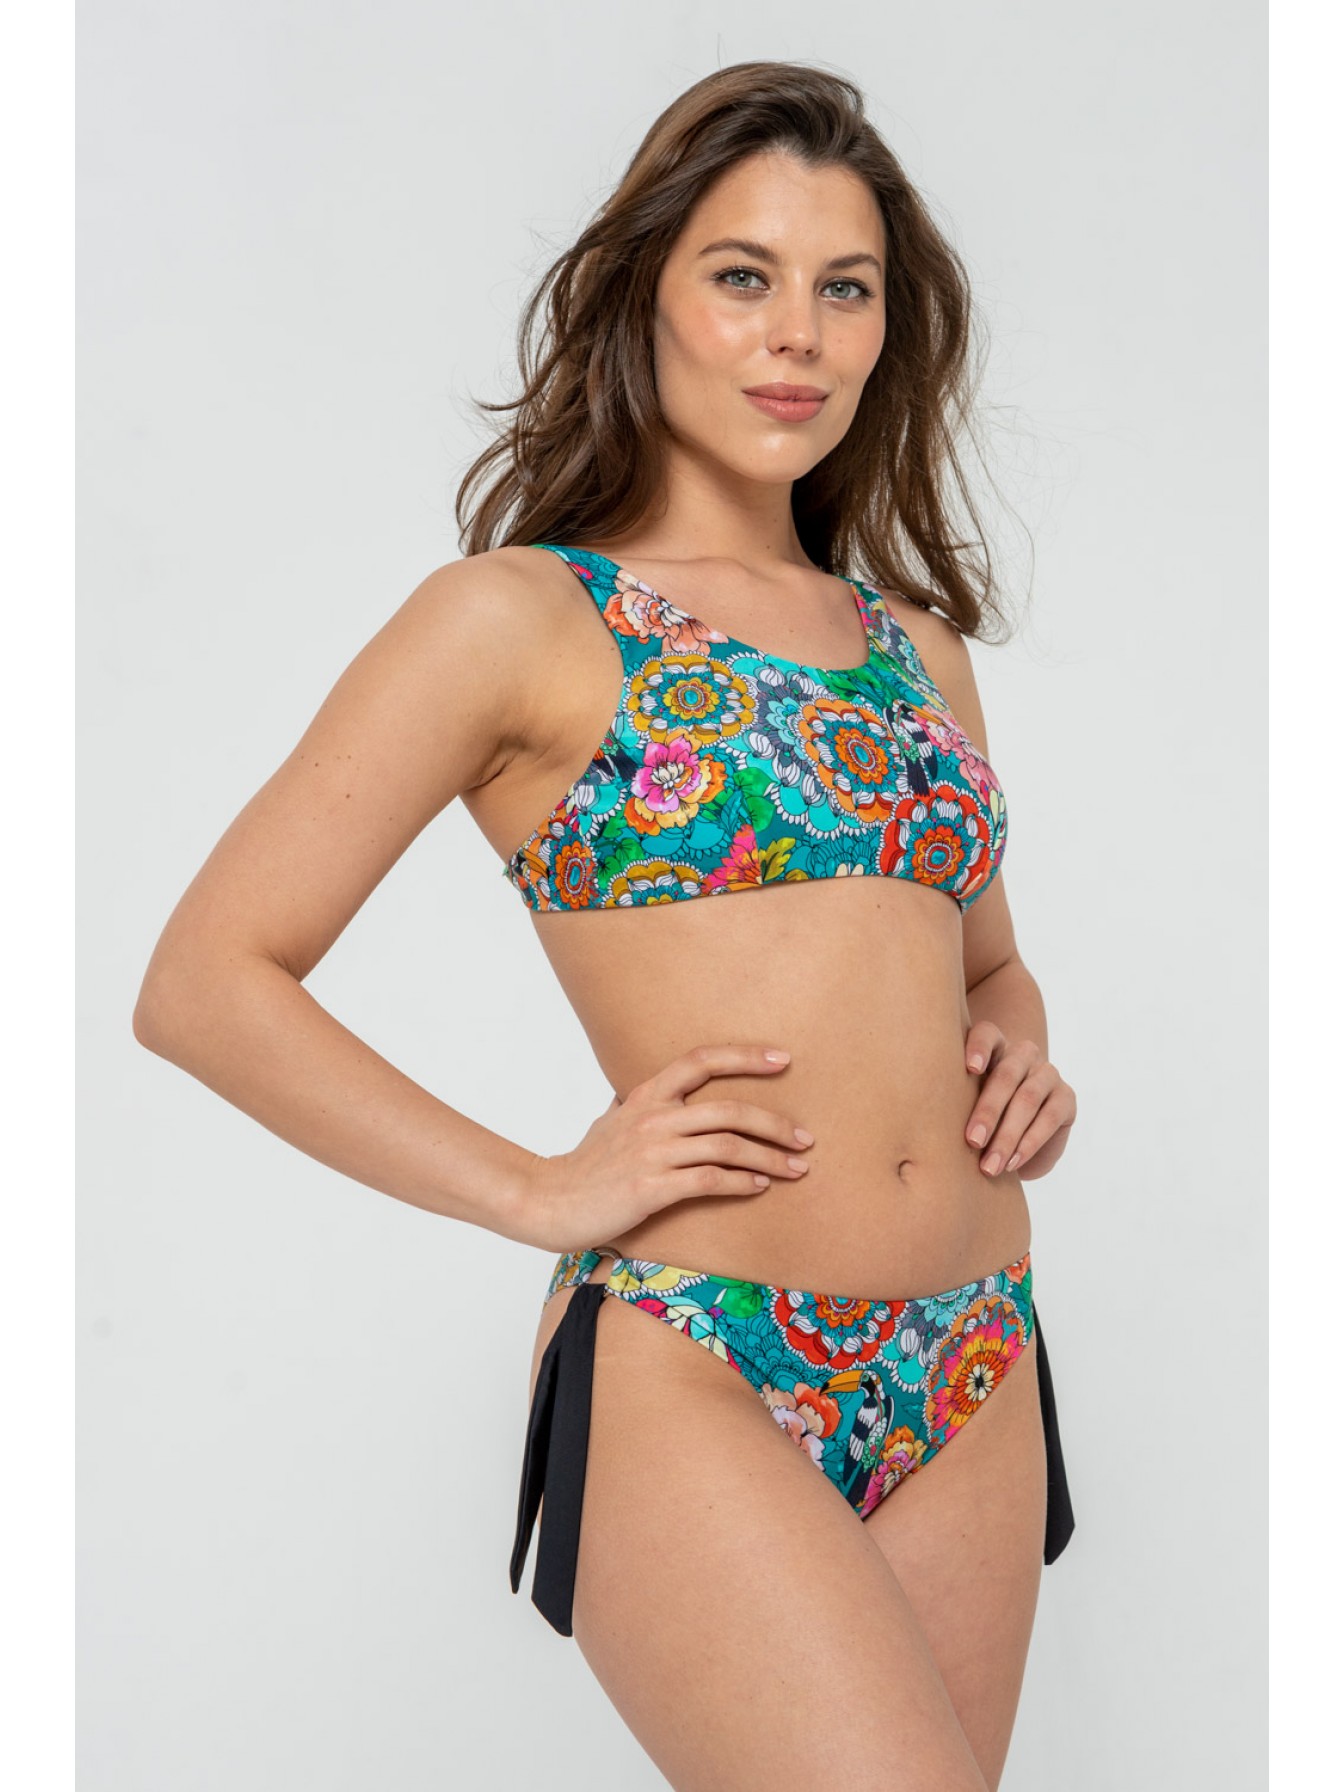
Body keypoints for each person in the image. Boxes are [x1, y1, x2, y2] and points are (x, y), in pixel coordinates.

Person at [134, 59, 1076, 1792]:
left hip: (978, 1356)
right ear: (644, 298)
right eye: (744, 275)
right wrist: (533, 1189)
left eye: (845, 288)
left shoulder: (915, 650)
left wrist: (1019, 1040)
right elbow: (203, 982)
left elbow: (984, 959)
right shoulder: (517, 620)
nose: (798, 334)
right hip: (700, 1352)